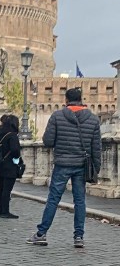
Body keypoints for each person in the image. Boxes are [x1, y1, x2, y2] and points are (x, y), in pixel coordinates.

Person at [27, 88, 101, 248]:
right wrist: (97, 169)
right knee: (80, 201)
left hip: (62, 164)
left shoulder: (57, 116)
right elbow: (96, 148)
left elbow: (48, 141)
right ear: (81, 99)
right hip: (82, 165)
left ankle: (41, 234)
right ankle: (79, 237)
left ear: (66, 100)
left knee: (53, 199)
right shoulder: (93, 120)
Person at [0, 115, 22, 218]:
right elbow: (15, 150)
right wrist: (17, 157)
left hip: (0, 163)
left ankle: (0, 210)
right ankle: (5, 211)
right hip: (9, 165)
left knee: (1, 188)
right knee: (7, 189)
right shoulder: (12, 135)